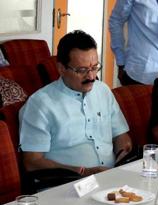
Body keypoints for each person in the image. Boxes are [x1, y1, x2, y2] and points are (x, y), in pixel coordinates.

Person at [19, 30, 132, 176]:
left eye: (94, 67)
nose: (91, 76)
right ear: (61, 69)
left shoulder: (102, 90)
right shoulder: (40, 104)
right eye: (82, 70)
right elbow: (32, 162)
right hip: (66, 185)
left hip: (110, 178)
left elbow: (121, 135)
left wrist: (123, 155)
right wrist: (83, 172)